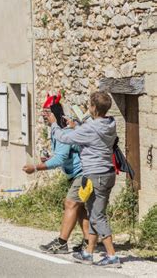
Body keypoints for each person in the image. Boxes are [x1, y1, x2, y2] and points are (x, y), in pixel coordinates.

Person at [46, 92, 121, 268]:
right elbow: (90, 132)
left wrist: (54, 124)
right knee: (94, 211)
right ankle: (88, 253)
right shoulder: (110, 123)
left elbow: (63, 138)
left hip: (96, 175)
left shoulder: (91, 128)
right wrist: (76, 126)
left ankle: (112, 256)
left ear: (93, 108)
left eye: (90, 105)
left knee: (97, 216)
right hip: (107, 173)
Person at [22, 93, 89, 254]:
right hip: (78, 173)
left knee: (70, 204)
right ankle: (88, 241)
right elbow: (63, 154)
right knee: (79, 208)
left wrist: (37, 167)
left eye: (47, 112)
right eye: (43, 112)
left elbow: (60, 159)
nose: (44, 115)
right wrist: (49, 158)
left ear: (55, 114)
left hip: (82, 173)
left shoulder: (63, 132)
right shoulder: (58, 130)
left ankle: (61, 243)